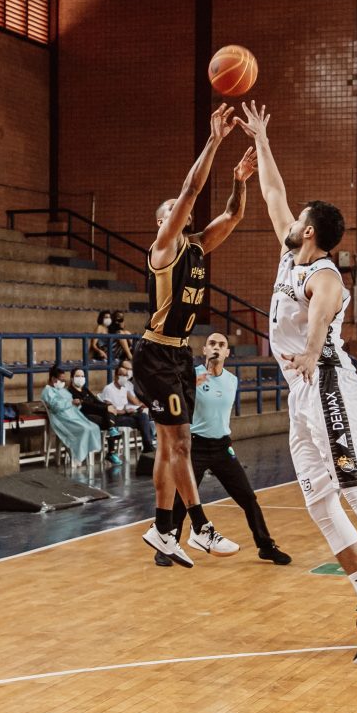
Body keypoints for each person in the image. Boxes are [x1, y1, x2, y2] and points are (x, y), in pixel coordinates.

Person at [238, 100, 357, 662]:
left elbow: (322, 315)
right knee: (318, 501)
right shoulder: (290, 257)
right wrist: (262, 140)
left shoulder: (325, 275)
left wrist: (311, 350)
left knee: (353, 486)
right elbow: (273, 194)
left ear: (311, 231)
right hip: (302, 392)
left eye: (299, 220)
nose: (290, 221)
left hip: (328, 384)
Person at [136, 103, 255, 567]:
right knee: (182, 442)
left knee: (170, 447)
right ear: (163, 221)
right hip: (155, 354)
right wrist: (214, 140)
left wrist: (239, 180)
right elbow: (189, 190)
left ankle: (163, 529)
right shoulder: (163, 247)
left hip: (180, 356)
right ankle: (200, 528)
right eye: (170, 210)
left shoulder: (199, 245)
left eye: (179, 211)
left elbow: (233, 215)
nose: (179, 210)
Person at [163, 332, 291, 567]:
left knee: (248, 498)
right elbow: (174, 401)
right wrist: (188, 386)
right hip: (196, 446)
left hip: (222, 447)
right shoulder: (191, 376)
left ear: (227, 353)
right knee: (182, 500)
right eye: (212, 343)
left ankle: (266, 546)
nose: (216, 348)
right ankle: (167, 546)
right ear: (204, 350)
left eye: (221, 345)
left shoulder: (232, 380)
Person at [40, 366, 103, 463]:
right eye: (61, 380)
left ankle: (87, 455)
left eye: (64, 380)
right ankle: (77, 456)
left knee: (94, 427)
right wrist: (71, 403)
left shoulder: (62, 390)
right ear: (53, 379)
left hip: (73, 415)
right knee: (84, 429)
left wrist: (77, 404)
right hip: (62, 419)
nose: (63, 382)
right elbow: (55, 406)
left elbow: (71, 402)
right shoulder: (48, 391)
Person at [100, 359, 156, 457]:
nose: (125, 377)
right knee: (144, 422)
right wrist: (125, 411)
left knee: (143, 416)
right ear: (116, 376)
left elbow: (126, 405)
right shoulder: (109, 389)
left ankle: (148, 445)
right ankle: (148, 445)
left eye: (126, 375)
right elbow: (109, 410)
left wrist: (132, 410)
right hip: (115, 418)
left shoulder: (124, 389)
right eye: (122, 375)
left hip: (125, 415)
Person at [68, 368, 123, 466]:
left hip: (95, 413)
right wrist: (105, 408)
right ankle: (111, 452)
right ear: (72, 378)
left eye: (82, 376)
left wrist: (108, 406)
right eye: (77, 376)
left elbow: (96, 401)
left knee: (109, 413)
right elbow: (86, 406)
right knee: (109, 419)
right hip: (83, 417)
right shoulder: (70, 392)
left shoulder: (85, 389)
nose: (80, 378)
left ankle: (111, 433)